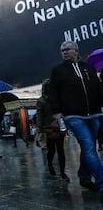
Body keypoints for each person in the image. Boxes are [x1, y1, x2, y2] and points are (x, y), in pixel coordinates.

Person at [48, 41, 103, 199]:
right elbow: (53, 92)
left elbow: (97, 89)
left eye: (67, 50)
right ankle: (101, 182)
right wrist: (57, 111)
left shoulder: (89, 68)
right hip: (73, 115)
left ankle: (84, 177)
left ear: (76, 51)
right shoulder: (57, 71)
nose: (64, 52)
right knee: (88, 146)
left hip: (93, 114)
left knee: (90, 147)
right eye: (62, 50)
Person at [36, 79, 69, 181]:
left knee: (60, 150)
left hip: (59, 127)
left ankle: (63, 172)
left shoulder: (59, 99)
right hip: (48, 129)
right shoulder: (41, 101)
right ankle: (50, 165)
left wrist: (66, 126)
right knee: (52, 150)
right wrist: (40, 129)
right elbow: (39, 115)